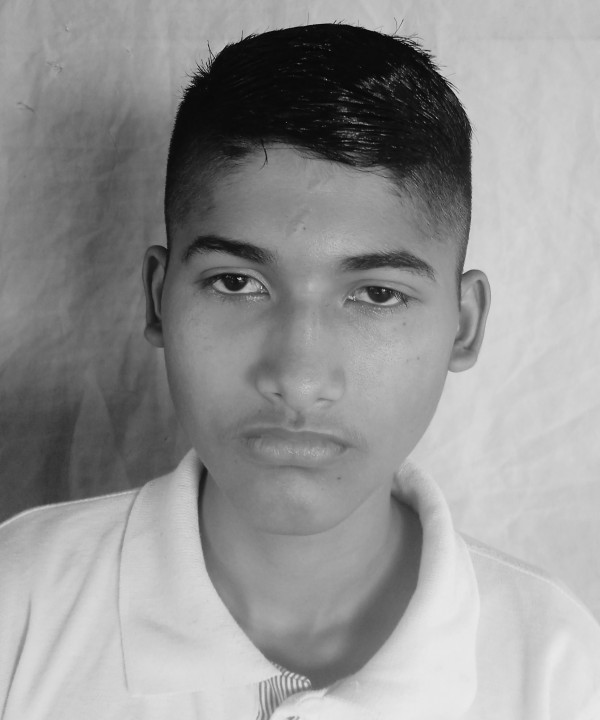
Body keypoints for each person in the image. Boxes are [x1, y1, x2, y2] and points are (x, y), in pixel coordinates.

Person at [1, 22, 599, 720]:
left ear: (463, 325)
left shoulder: (557, 668)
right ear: (159, 298)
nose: (299, 377)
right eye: (236, 283)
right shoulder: (19, 605)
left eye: (377, 295)